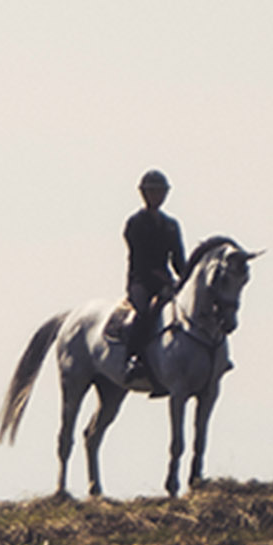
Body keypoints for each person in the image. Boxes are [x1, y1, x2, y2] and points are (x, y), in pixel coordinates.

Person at [123, 169, 188, 395]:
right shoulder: (135, 223)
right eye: (153, 192)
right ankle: (135, 359)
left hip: (165, 283)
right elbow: (139, 257)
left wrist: (185, 277)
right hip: (141, 280)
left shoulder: (171, 225)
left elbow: (178, 259)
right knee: (144, 312)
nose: (158, 196)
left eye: (161, 192)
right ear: (144, 194)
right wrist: (159, 277)